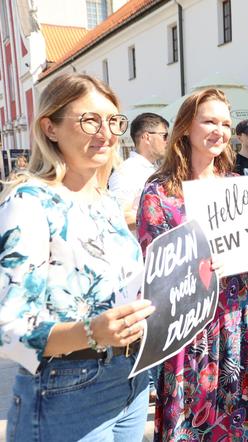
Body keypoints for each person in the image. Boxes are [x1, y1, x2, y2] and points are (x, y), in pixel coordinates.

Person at [137, 88, 248, 440]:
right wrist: (197, 265)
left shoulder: (238, 185)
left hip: (244, 323)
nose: (219, 130)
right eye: (209, 121)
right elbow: (154, 275)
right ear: (185, 127)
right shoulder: (159, 192)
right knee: (199, 425)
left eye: (226, 123)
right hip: (192, 334)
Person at [0, 73, 156, 441]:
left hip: (131, 377)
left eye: (113, 121)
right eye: (90, 120)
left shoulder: (104, 202)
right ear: (50, 128)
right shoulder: (29, 202)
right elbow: (9, 330)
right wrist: (92, 332)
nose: (106, 133)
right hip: (68, 388)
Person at [109, 112, 169, 230]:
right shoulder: (127, 172)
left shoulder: (154, 169)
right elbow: (118, 217)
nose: (167, 141)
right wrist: (165, 216)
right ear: (147, 137)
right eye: (164, 136)